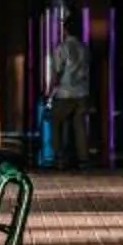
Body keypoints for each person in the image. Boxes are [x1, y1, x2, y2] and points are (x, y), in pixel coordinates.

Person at [46, 25, 93, 169]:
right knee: (80, 127)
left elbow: (58, 71)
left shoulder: (62, 48)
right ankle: (83, 159)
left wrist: (50, 90)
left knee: (56, 122)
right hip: (82, 93)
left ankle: (60, 157)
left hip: (65, 93)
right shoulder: (85, 49)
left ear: (65, 31)